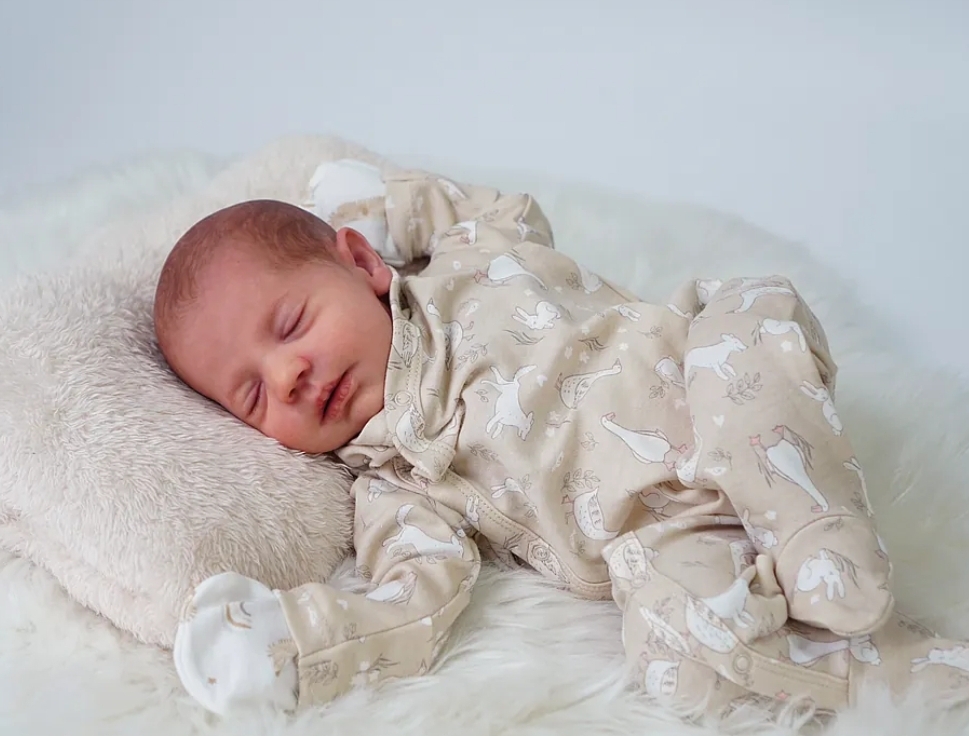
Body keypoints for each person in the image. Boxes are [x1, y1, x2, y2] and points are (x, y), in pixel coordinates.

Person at [153, 160, 969, 718]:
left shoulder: (469, 262)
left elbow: (507, 209)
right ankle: (914, 676)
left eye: (291, 324)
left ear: (362, 264)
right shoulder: (396, 482)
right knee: (676, 659)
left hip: (708, 379)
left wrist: (386, 202)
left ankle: (811, 527)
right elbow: (412, 601)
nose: (289, 375)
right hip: (669, 532)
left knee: (751, 311)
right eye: (252, 395)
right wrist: (292, 645)